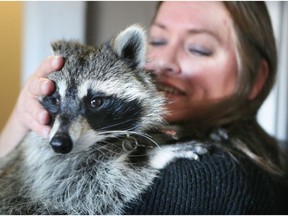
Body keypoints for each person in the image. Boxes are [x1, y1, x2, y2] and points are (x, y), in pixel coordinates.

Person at [0, 1, 287, 214]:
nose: (162, 62)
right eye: (158, 40)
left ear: (257, 77)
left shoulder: (209, 177)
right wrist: (21, 119)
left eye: (199, 48)